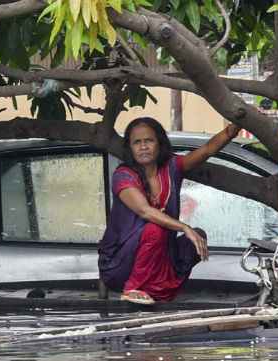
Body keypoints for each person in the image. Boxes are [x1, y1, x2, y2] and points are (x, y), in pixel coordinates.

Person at [98, 117, 242, 305]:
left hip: (159, 261)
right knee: (156, 230)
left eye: (149, 140)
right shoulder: (123, 175)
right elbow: (144, 211)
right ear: (130, 148)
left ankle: (156, 292)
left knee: (198, 237)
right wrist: (184, 228)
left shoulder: (172, 168)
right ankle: (133, 288)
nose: (143, 147)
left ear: (160, 143)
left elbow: (207, 150)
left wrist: (236, 126)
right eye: (137, 142)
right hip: (120, 265)